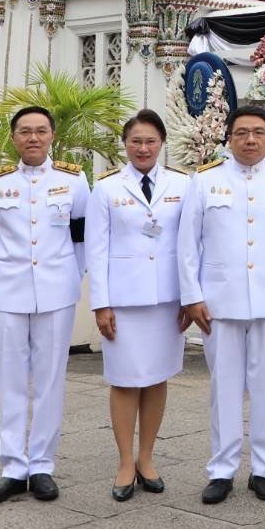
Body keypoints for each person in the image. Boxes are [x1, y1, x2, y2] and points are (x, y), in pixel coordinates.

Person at [178, 105, 265, 506]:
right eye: (242, 133)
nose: (250, 140)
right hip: (218, 303)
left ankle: (263, 470)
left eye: (258, 132)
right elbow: (188, 245)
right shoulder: (204, 181)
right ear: (229, 138)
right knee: (224, 388)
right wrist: (193, 296)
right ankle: (221, 471)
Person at [0, 105, 90, 506]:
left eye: (41, 130)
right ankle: (11, 466)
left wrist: (67, 277)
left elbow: (81, 238)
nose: (34, 138)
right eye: (25, 131)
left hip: (57, 291)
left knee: (50, 379)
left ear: (53, 136)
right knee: (10, 378)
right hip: (10, 291)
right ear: (14, 138)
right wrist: (8, 274)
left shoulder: (74, 182)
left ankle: (41, 464)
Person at [86, 109, 189, 501]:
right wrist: (101, 304)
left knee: (157, 377)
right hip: (123, 300)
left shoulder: (183, 184)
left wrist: (189, 298)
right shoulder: (107, 188)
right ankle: (125, 461)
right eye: (135, 141)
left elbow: (190, 245)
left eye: (150, 141)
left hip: (167, 299)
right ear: (125, 145)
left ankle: (147, 457)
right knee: (125, 380)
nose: (143, 148)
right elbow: (96, 250)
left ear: (161, 143)